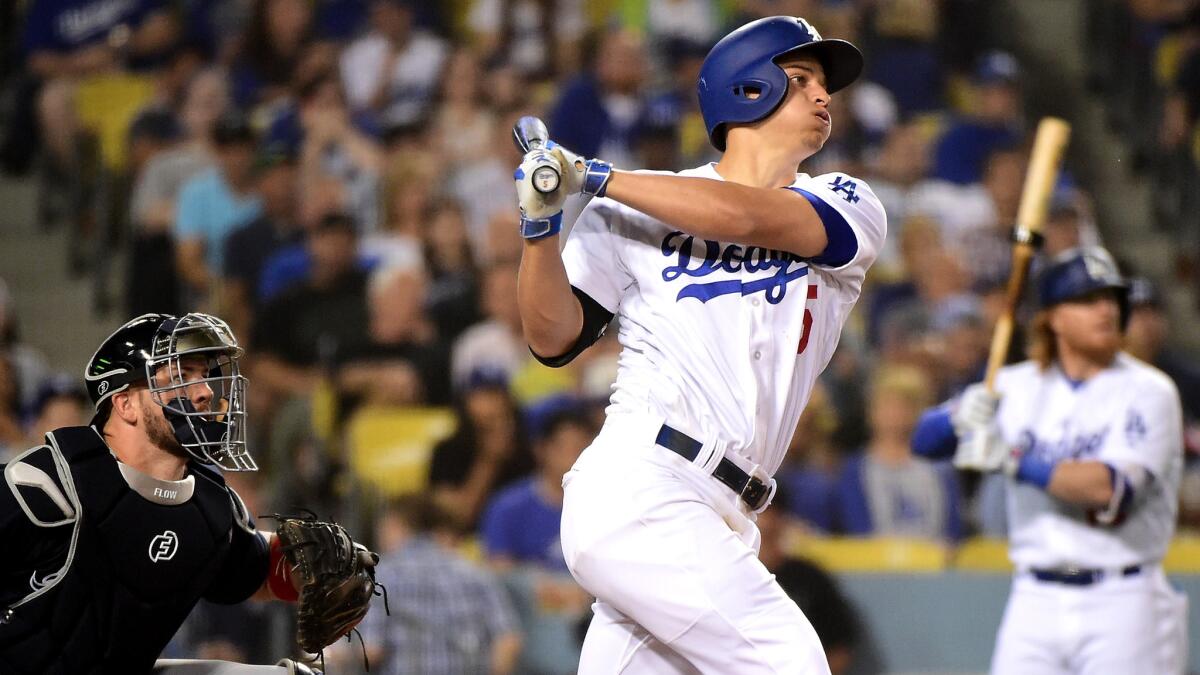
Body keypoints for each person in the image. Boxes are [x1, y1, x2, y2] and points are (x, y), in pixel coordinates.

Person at [515, 16, 885, 673]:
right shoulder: (627, 209)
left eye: (826, 85)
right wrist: (541, 231)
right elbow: (552, 336)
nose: (824, 96)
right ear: (747, 90)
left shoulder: (845, 198)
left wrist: (597, 174)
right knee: (790, 661)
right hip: (642, 483)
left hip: (724, 514)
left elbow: (747, 214)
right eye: (801, 80)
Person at [0, 312, 370, 673]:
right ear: (125, 403)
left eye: (205, 375)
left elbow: (255, 575)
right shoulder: (48, 484)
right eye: (180, 376)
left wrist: (319, 567)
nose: (205, 391)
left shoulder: (210, 504)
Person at [911, 247, 1189, 674]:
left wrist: (1014, 460)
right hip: (1034, 598)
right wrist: (955, 418)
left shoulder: (1149, 390)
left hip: (1124, 598)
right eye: (1086, 299)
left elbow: (1109, 488)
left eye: (1111, 297)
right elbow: (924, 443)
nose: (1105, 309)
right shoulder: (1015, 386)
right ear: (1053, 318)